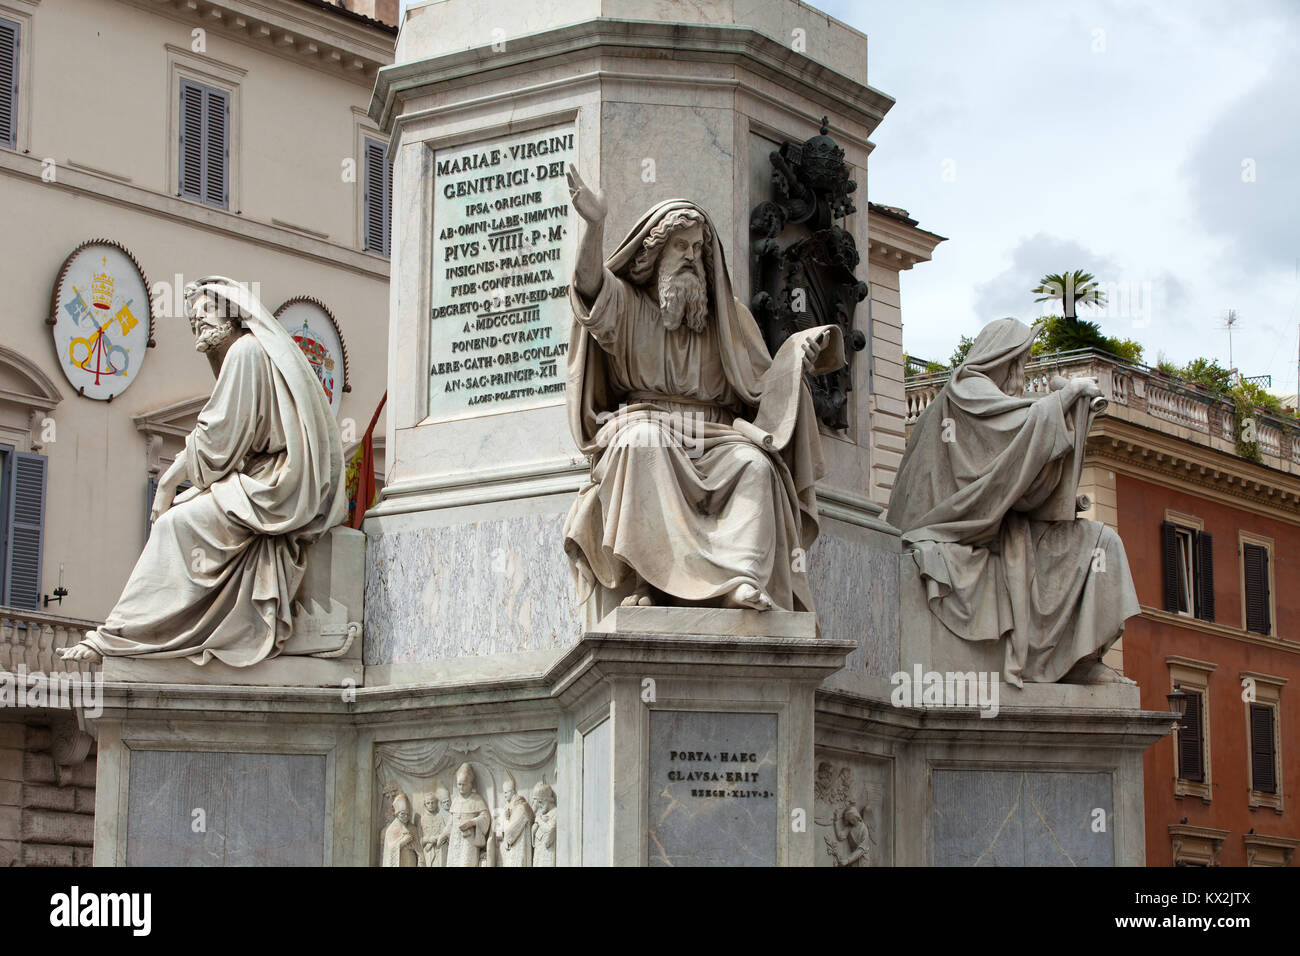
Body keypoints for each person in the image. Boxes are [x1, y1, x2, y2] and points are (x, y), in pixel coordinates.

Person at [562, 166, 843, 612]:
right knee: (643, 445)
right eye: (679, 246)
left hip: (714, 436)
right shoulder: (629, 306)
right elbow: (588, 289)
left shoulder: (729, 319)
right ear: (653, 253)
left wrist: (795, 358)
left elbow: (763, 389)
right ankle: (651, 583)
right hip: (646, 422)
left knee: (756, 464)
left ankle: (741, 580)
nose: (691, 255)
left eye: (697, 248)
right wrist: (595, 226)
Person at [58, 276, 345, 666]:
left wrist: (168, 482)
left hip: (276, 486)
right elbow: (224, 441)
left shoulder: (245, 351)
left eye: (206, 312)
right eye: (193, 318)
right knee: (181, 519)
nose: (199, 321)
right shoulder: (249, 353)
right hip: (263, 479)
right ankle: (137, 635)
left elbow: (218, 440)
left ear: (232, 313)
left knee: (175, 525)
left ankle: (123, 638)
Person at [889, 317, 1140, 685]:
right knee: (1091, 547)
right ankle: (1066, 661)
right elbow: (1017, 436)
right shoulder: (965, 393)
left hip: (996, 526)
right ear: (1004, 358)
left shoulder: (987, 399)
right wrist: (1066, 398)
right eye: (1021, 361)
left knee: (1102, 542)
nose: (1022, 371)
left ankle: (1080, 659)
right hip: (956, 529)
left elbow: (1013, 481)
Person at [446, 763, 490, 867]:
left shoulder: (477, 799)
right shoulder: (455, 801)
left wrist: (472, 822)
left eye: (464, 784)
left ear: (470, 784)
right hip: (454, 841)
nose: (461, 787)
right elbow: (450, 823)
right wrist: (443, 835)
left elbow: (485, 817)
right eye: (459, 784)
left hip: (468, 841)